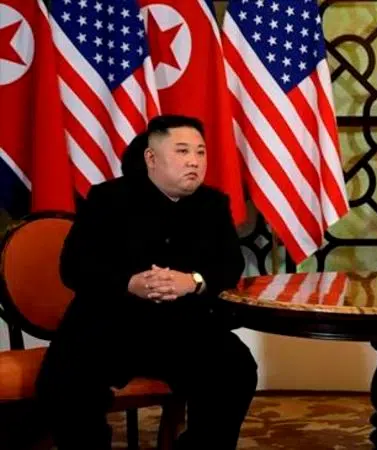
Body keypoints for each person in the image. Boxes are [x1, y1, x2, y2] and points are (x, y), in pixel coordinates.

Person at [36, 115, 257, 450]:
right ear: (151, 158)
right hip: (110, 323)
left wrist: (192, 281)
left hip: (182, 327)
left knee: (234, 366)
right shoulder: (108, 199)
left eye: (200, 152)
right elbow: (75, 266)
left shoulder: (213, 204)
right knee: (67, 381)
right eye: (182, 151)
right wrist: (130, 283)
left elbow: (229, 265)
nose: (194, 161)